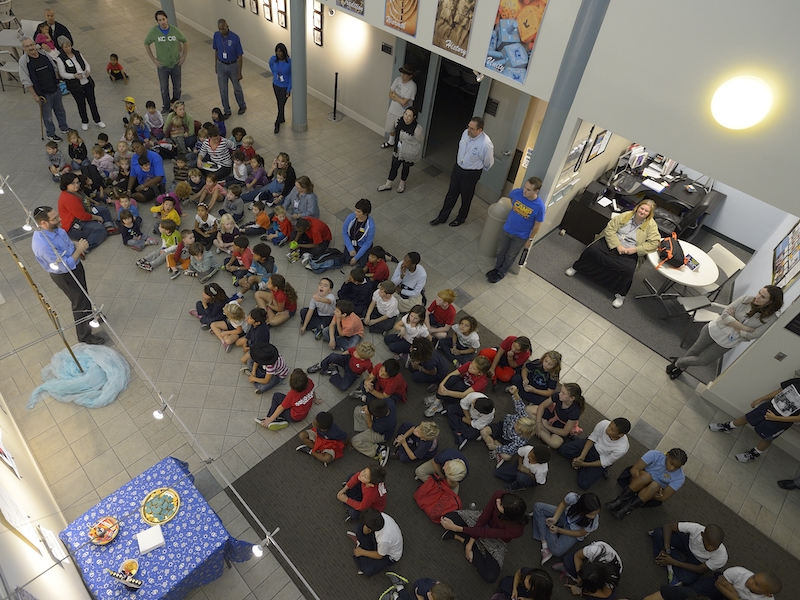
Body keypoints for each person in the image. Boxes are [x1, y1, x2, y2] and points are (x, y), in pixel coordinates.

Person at [668, 286, 783, 379]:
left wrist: (733, 322)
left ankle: (678, 363)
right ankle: (681, 368)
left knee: (703, 361)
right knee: (694, 350)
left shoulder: (770, 318)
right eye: (759, 293)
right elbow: (725, 315)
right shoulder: (745, 299)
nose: (757, 297)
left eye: (763, 297)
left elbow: (753, 335)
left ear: (770, 302)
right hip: (713, 329)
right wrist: (745, 328)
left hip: (727, 343)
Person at [565, 199, 660, 308]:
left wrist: (635, 249)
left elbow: (654, 243)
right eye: (642, 208)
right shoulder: (626, 215)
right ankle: (577, 267)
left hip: (630, 250)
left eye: (646, 211)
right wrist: (617, 245)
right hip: (613, 242)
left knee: (627, 270)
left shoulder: (651, 225)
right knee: (592, 251)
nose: (642, 212)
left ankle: (620, 295)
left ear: (649, 214)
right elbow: (610, 228)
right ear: (638, 207)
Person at [31, 206, 104, 345]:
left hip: (76, 265)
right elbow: (63, 266)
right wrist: (80, 249)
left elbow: (66, 244)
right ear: (43, 223)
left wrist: (76, 245)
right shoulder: (43, 245)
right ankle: (85, 336)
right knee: (79, 302)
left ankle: (89, 318)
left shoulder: (55, 229)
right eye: (55, 218)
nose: (60, 219)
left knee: (84, 294)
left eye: (57, 215)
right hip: (65, 275)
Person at [439, 491, 528, 583]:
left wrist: (458, 530)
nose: (497, 500)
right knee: (447, 518)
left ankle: (463, 538)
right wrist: (469, 544)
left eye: (500, 504)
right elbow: (483, 519)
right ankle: (471, 541)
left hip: (497, 539)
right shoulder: (500, 495)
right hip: (482, 523)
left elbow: (487, 533)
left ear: (507, 514)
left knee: (490, 576)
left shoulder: (517, 530)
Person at [707, 376, 800, 462]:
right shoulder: (797, 381)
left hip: (780, 421)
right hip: (769, 406)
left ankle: (754, 454)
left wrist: (775, 418)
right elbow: (779, 391)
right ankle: (728, 427)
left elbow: (798, 418)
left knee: (767, 438)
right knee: (747, 418)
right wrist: (761, 399)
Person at [430, 117, 494, 227]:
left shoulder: (485, 144)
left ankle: (461, 218)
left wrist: (477, 168)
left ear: (480, 130)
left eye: (472, 129)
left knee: (466, 197)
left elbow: (488, 162)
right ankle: (442, 217)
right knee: (451, 194)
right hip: (458, 168)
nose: (469, 130)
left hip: (471, 173)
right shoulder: (465, 133)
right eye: (468, 127)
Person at [487, 176, 545, 283]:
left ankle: (501, 273)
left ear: (536, 191)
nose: (525, 191)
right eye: (525, 187)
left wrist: (530, 239)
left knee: (510, 256)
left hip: (521, 236)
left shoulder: (540, 206)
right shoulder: (517, 193)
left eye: (528, 190)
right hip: (507, 229)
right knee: (500, 251)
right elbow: (510, 198)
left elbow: (537, 224)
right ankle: (496, 268)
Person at [606, 448, 688, 520]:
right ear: (668, 455)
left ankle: (626, 509)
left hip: (651, 493)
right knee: (646, 477)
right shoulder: (654, 454)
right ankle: (619, 501)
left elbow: (663, 497)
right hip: (638, 479)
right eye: (671, 463)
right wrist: (640, 482)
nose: (671, 468)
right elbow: (634, 470)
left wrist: (654, 493)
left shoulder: (680, 477)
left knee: (655, 485)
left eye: (677, 467)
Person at [19, 37, 71, 142]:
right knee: (47, 116)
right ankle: (51, 134)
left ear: (34, 44)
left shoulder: (43, 54)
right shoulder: (24, 61)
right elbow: (26, 80)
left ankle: (64, 128)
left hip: (55, 89)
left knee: (60, 111)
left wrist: (57, 82)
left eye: (31, 45)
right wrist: (35, 96)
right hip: (43, 94)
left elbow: (54, 67)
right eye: (27, 46)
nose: (30, 48)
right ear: (23, 48)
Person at [558, 418, 631, 490]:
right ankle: (582, 463)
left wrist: (583, 464)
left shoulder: (622, 448)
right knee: (563, 450)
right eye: (609, 425)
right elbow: (592, 438)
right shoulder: (603, 423)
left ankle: (582, 464)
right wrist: (582, 456)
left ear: (620, 435)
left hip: (600, 458)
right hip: (591, 445)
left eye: (612, 430)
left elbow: (605, 461)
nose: (607, 429)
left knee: (584, 484)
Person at [532, 491, 601, 565]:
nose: (593, 517)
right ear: (582, 509)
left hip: (573, 531)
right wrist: (555, 518)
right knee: (538, 507)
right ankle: (544, 542)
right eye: (591, 514)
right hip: (564, 516)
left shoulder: (593, 522)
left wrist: (559, 530)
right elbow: (563, 504)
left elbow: (580, 533)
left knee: (557, 550)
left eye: (595, 514)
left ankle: (541, 522)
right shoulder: (573, 498)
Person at [651, 522, 727, 587]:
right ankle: (668, 554)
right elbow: (668, 526)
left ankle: (668, 561)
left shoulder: (722, 557)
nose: (711, 549)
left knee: (687, 578)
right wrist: (666, 549)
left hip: (697, 561)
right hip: (687, 544)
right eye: (709, 544)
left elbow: (699, 569)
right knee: (659, 532)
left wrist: (673, 561)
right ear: (702, 535)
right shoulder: (696, 528)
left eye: (716, 546)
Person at [56, 38, 105, 131]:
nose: (68, 48)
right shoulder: (60, 58)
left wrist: (87, 71)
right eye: (66, 47)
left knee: (92, 102)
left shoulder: (77, 53)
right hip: (75, 85)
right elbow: (62, 73)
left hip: (86, 82)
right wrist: (74, 76)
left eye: (69, 46)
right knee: (81, 104)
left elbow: (86, 64)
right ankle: (84, 121)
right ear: (62, 47)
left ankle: (97, 119)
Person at [144, 10, 189, 114]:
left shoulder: (174, 30)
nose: (162, 22)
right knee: (164, 88)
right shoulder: (154, 32)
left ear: (167, 18)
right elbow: (146, 43)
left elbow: (185, 41)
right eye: (159, 20)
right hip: (162, 66)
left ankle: (177, 107)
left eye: (163, 19)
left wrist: (183, 57)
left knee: (177, 87)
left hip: (176, 64)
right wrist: (154, 59)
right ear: (157, 21)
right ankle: (166, 106)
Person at [643, 567, 781, 600]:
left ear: (767, 594)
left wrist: (733, 594)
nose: (750, 581)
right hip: (719, 588)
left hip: (729, 592)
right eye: (753, 577)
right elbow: (718, 584)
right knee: (692, 592)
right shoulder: (739, 572)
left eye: (756, 585)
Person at [57, 173, 109, 250]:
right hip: (74, 226)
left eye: (77, 182)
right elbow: (82, 216)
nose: (76, 185)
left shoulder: (76, 191)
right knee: (101, 231)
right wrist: (97, 217)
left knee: (104, 210)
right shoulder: (69, 199)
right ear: (66, 184)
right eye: (73, 183)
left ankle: (109, 227)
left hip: (85, 214)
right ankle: (83, 249)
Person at [378, 107, 424, 193]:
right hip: (398, 149)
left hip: (409, 151)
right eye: (405, 114)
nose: (406, 117)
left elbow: (420, 140)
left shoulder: (417, 129)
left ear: (414, 117)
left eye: (409, 116)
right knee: (394, 166)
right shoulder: (400, 123)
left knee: (405, 168)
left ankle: (402, 184)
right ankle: (388, 184)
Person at [349, 508, 403, 577]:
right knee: (359, 528)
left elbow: (380, 555)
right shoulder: (380, 516)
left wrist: (362, 552)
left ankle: (361, 548)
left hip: (388, 556)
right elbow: (365, 530)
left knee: (368, 570)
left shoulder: (384, 539)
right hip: (381, 541)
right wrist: (366, 529)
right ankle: (363, 548)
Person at [534, 382, 585, 449]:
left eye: (563, 393)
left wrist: (547, 426)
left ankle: (536, 428)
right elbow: (542, 406)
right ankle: (542, 431)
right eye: (561, 391)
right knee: (528, 410)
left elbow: (564, 432)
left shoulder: (575, 412)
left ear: (572, 398)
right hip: (553, 414)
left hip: (561, 425)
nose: (560, 394)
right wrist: (538, 422)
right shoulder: (558, 396)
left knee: (555, 443)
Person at [213, 19, 246, 117]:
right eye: (219, 29)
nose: (221, 31)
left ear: (227, 26)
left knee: (237, 88)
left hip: (233, 65)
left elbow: (240, 56)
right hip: (221, 65)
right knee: (223, 90)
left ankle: (242, 105)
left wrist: (239, 72)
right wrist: (216, 64)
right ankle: (227, 110)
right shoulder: (216, 35)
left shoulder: (235, 38)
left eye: (223, 29)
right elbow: (216, 50)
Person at [381, 64, 417, 148]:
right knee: (391, 128)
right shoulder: (397, 80)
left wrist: (396, 96)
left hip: (402, 113)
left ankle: (400, 147)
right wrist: (398, 98)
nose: (402, 76)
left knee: (401, 132)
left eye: (405, 74)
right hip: (392, 109)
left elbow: (404, 102)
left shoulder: (412, 86)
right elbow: (390, 93)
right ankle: (391, 142)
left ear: (410, 76)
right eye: (402, 73)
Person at [342, 199, 376, 267]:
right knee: (346, 260)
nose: (355, 213)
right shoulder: (350, 217)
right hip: (352, 242)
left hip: (362, 244)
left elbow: (367, 243)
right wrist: (350, 248)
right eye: (355, 210)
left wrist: (356, 258)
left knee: (363, 263)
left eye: (358, 212)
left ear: (365, 213)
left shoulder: (371, 225)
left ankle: (384, 256)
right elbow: (344, 232)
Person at [269, 43, 292, 133]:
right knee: (279, 103)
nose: (279, 53)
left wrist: (288, 89)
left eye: (280, 51)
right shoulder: (274, 59)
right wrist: (274, 73)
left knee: (281, 104)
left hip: (285, 86)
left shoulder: (289, 62)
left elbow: (291, 77)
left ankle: (277, 123)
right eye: (277, 51)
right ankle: (282, 118)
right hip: (276, 85)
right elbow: (270, 64)